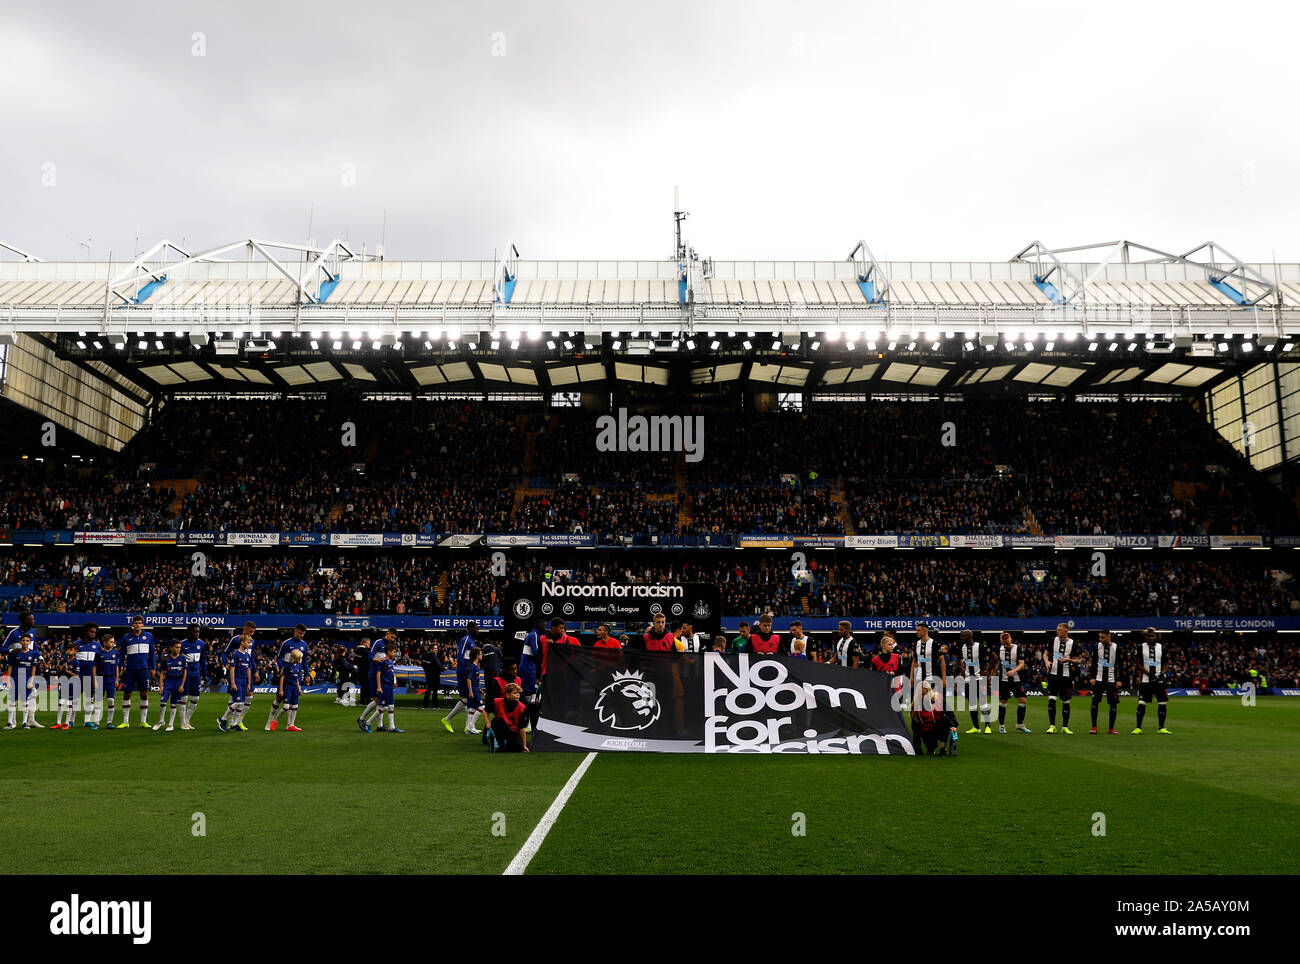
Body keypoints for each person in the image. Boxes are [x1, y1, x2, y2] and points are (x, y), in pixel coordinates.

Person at [266, 624, 308, 731]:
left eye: (303, 633)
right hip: (286, 674)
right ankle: (269, 722)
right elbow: (279, 658)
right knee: (279, 698)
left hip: (296, 676)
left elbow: (305, 661)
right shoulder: (286, 643)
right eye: (299, 633)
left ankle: (290, 725)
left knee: (293, 703)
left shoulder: (304, 645)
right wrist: (281, 668)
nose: (301, 635)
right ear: (295, 631)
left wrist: (307, 674)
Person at [218, 621, 258, 730]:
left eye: (253, 632)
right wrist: (226, 663)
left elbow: (251, 658)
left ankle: (238, 721)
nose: (252, 634)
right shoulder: (236, 640)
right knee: (235, 699)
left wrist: (255, 671)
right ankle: (229, 721)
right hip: (236, 673)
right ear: (245, 629)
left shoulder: (252, 642)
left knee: (248, 696)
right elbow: (225, 653)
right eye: (250, 631)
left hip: (246, 673)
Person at [1044, 622, 1081, 734]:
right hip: (1053, 675)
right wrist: (1046, 661)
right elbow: (1045, 654)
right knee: (1052, 700)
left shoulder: (1073, 643)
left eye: (1060, 630)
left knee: (1066, 701)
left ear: (1066, 631)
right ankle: (1052, 726)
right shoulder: (1052, 640)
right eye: (1057, 629)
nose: (1057, 631)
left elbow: (1078, 660)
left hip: (1066, 676)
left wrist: (1069, 660)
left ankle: (1065, 727)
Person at [119, 615, 156, 729]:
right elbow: (121, 655)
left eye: (140, 623)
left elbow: (152, 654)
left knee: (144, 694)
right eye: (136, 623)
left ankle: (143, 721)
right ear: (133, 624)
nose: (138, 625)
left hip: (144, 669)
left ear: (143, 624)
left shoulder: (149, 636)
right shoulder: (126, 637)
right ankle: (125, 722)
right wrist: (120, 667)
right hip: (130, 669)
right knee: (127, 694)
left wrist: (153, 667)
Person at [442, 621, 479, 732]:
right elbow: (460, 655)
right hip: (464, 673)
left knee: (468, 699)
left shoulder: (471, 641)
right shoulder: (466, 639)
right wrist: (465, 672)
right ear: (471, 628)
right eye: (476, 628)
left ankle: (467, 727)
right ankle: (451, 720)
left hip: (468, 672)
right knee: (468, 699)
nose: (478, 630)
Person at [1133, 628, 1172, 735]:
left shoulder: (1162, 648)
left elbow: (1166, 663)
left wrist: (1162, 673)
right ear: (1146, 637)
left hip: (1159, 681)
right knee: (1141, 703)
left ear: (1156, 637)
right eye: (1149, 636)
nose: (1151, 638)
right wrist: (1148, 673)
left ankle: (1161, 728)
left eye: (1153, 636)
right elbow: (1138, 663)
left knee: (1162, 702)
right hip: (1146, 680)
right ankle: (1138, 728)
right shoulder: (1140, 647)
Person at [358, 628, 397, 732]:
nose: (393, 639)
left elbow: (390, 664)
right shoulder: (378, 643)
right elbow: (370, 657)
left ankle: (379, 725)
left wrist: (394, 679)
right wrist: (377, 659)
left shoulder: (390, 647)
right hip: (374, 674)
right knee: (377, 700)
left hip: (383, 676)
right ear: (387, 634)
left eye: (394, 638)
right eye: (392, 637)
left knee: (380, 701)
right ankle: (362, 718)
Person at [996, 631, 1031, 734]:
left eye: (1007, 643)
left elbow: (1022, 664)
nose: (1005, 645)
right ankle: (1001, 726)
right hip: (1003, 680)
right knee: (1003, 702)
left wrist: (1014, 671)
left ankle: (1020, 724)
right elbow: (998, 661)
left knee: (1023, 700)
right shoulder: (1000, 649)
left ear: (1010, 640)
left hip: (1016, 679)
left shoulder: (1018, 649)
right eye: (1003, 643)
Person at [958, 629, 991, 734]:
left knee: (983, 704)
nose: (961, 638)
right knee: (972, 704)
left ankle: (987, 726)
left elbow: (994, 658)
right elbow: (961, 661)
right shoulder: (963, 648)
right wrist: (963, 671)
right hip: (968, 680)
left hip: (979, 679)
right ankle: (976, 727)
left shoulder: (980, 647)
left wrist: (989, 672)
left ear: (969, 636)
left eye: (963, 636)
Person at [6, 632, 40, 729]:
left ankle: (24, 723)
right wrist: (8, 681)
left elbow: (34, 668)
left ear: (30, 642)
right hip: (15, 678)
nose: (25, 642)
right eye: (23, 640)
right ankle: (10, 722)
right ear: (20, 641)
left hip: (27, 678)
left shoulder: (33, 653)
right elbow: (10, 668)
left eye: (27, 641)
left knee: (25, 701)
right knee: (13, 701)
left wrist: (31, 680)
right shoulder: (14, 653)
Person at [1089, 630, 1121, 735]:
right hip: (1098, 679)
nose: (1100, 640)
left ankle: (1111, 728)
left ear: (1109, 637)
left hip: (1112, 681)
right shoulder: (1096, 647)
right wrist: (1092, 677)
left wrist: (1119, 679)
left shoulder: (1116, 648)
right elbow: (1093, 663)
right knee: (1095, 702)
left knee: (1113, 704)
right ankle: (1094, 727)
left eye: (1103, 637)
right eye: (1100, 637)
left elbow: (1120, 665)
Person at [153, 641, 188, 732]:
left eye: (180, 647)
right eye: (177, 647)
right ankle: (161, 721)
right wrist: (161, 687)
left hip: (178, 683)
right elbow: (162, 673)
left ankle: (171, 724)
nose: (179, 649)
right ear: (171, 648)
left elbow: (185, 671)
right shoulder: (165, 658)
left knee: (173, 704)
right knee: (163, 702)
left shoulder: (182, 658)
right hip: (168, 682)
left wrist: (182, 685)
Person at [73, 622, 101, 730]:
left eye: (94, 632)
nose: (93, 634)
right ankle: (71, 721)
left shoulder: (97, 645)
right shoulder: (76, 644)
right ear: (86, 632)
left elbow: (98, 661)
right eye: (91, 632)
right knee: (75, 699)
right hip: (78, 676)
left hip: (91, 676)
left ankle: (87, 721)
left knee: (90, 699)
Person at [487, 683, 529, 753]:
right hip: (502, 728)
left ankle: (506, 745)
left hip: (514, 732)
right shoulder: (497, 701)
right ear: (507, 694)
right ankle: (501, 745)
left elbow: (522, 729)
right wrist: (488, 722)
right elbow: (485, 711)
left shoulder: (522, 708)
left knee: (519, 748)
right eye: (515, 693)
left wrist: (524, 746)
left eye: (518, 693)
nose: (518, 695)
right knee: (496, 720)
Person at [179, 624, 207, 730]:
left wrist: (205, 674)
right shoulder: (181, 644)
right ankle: (182, 723)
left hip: (196, 675)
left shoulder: (201, 644)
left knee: (196, 698)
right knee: (184, 698)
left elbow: (203, 660)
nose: (197, 634)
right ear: (189, 632)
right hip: (185, 675)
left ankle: (187, 721)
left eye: (198, 632)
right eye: (195, 632)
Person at [277, 641, 308, 732]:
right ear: (296, 657)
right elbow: (282, 677)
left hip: (295, 688)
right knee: (286, 707)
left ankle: (291, 725)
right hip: (288, 687)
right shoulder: (287, 666)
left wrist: (299, 689)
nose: (301, 660)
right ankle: (275, 721)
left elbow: (297, 679)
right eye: (300, 658)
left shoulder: (298, 667)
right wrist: (281, 690)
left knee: (295, 707)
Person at [52, 642, 79, 730]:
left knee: (69, 704)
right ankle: (58, 723)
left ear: (75, 651)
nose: (69, 651)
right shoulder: (64, 660)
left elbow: (77, 675)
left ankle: (67, 723)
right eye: (68, 649)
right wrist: (61, 668)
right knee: (61, 703)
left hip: (72, 685)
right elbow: (59, 670)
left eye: (71, 649)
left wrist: (67, 671)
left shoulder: (76, 662)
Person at [97, 634, 121, 729]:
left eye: (113, 642)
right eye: (111, 642)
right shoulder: (98, 653)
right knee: (98, 702)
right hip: (100, 678)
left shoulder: (115, 653)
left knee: (111, 701)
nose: (113, 644)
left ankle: (109, 722)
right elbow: (95, 667)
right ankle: (96, 723)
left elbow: (117, 667)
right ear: (105, 643)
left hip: (111, 679)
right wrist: (95, 679)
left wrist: (116, 679)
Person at [420, 641, 445, 709]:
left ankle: (425, 705)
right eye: (435, 648)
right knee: (434, 691)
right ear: (431, 649)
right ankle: (435, 705)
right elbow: (439, 665)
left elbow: (422, 664)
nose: (436, 649)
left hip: (428, 675)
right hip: (434, 675)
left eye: (436, 648)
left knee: (428, 690)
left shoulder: (425, 655)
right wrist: (443, 668)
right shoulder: (433, 656)